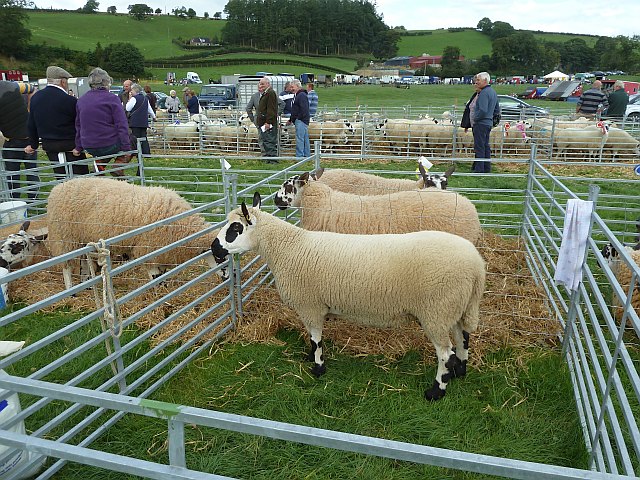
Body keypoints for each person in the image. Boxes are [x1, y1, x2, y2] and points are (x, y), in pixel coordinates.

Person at [25, 65, 90, 180]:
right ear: (63, 82)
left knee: (61, 177)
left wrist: (33, 144)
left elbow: (31, 124)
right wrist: (81, 144)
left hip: (49, 145)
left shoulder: (36, 98)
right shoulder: (70, 100)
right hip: (70, 145)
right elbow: (80, 124)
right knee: (80, 177)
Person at [73, 67, 131, 177]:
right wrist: (126, 149)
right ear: (106, 82)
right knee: (131, 139)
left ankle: (99, 167)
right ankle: (118, 164)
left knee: (104, 146)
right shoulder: (112, 98)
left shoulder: (81, 100)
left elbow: (78, 125)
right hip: (108, 144)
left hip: (89, 145)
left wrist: (78, 147)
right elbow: (121, 124)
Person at [0, 81, 39, 200]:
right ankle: (33, 201)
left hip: (11, 141)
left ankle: (14, 202)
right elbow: (32, 89)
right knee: (32, 172)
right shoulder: (13, 85)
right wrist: (30, 111)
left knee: (12, 176)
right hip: (28, 138)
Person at [467, 72, 500, 174]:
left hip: (481, 123)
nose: (476, 82)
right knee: (485, 146)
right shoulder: (493, 92)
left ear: (485, 81)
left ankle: (479, 169)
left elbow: (482, 110)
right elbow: (496, 109)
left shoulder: (484, 93)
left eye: (478, 80)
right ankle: (486, 167)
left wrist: (476, 118)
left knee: (479, 146)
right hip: (488, 123)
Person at [126, 83, 156, 155]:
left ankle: (136, 152)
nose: (131, 92)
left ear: (134, 90)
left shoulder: (134, 98)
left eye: (131, 90)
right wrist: (154, 116)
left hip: (135, 121)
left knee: (135, 137)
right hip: (144, 122)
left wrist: (129, 100)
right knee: (143, 137)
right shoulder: (145, 98)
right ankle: (146, 152)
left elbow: (127, 108)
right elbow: (149, 109)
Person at [256, 77, 279, 161]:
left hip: (268, 122)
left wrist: (268, 122)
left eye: (262, 84)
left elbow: (271, 108)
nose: (260, 85)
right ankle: (268, 159)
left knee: (269, 140)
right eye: (259, 83)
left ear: (268, 84)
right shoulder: (266, 93)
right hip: (264, 121)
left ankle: (272, 160)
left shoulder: (270, 93)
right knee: (266, 140)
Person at [288, 79, 310, 157]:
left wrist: (298, 118)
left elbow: (304, 109)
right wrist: (291, 119)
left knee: (300, 138)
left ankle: (300, 156)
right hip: (302, 120)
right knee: (304, 138)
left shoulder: (301, 95)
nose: (291, 89)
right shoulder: (300, 95)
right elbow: (296, 109)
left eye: (292, 87)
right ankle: (306, 155)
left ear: (297, 86)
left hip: (301, 120)